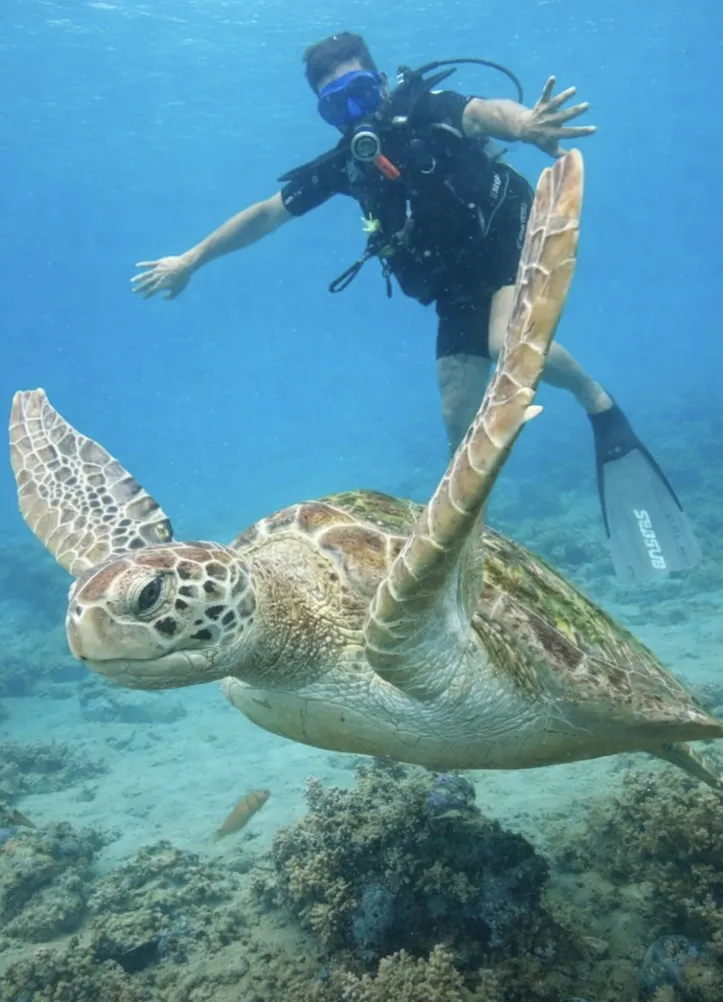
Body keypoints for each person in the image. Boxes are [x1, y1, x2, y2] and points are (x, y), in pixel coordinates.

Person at [131, 32, 699, 584]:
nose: (353, 113)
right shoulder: (346, 165)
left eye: (358, 93)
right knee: (457, 418)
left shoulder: (427, 109)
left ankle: (595, 401)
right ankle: (472, 540)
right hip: (452, 279)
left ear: (379, 83)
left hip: (503, 229)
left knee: (506, 343)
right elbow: (265, 213)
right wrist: (191, 259)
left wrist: (527, 125)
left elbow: (484, 112)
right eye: (336, 105)